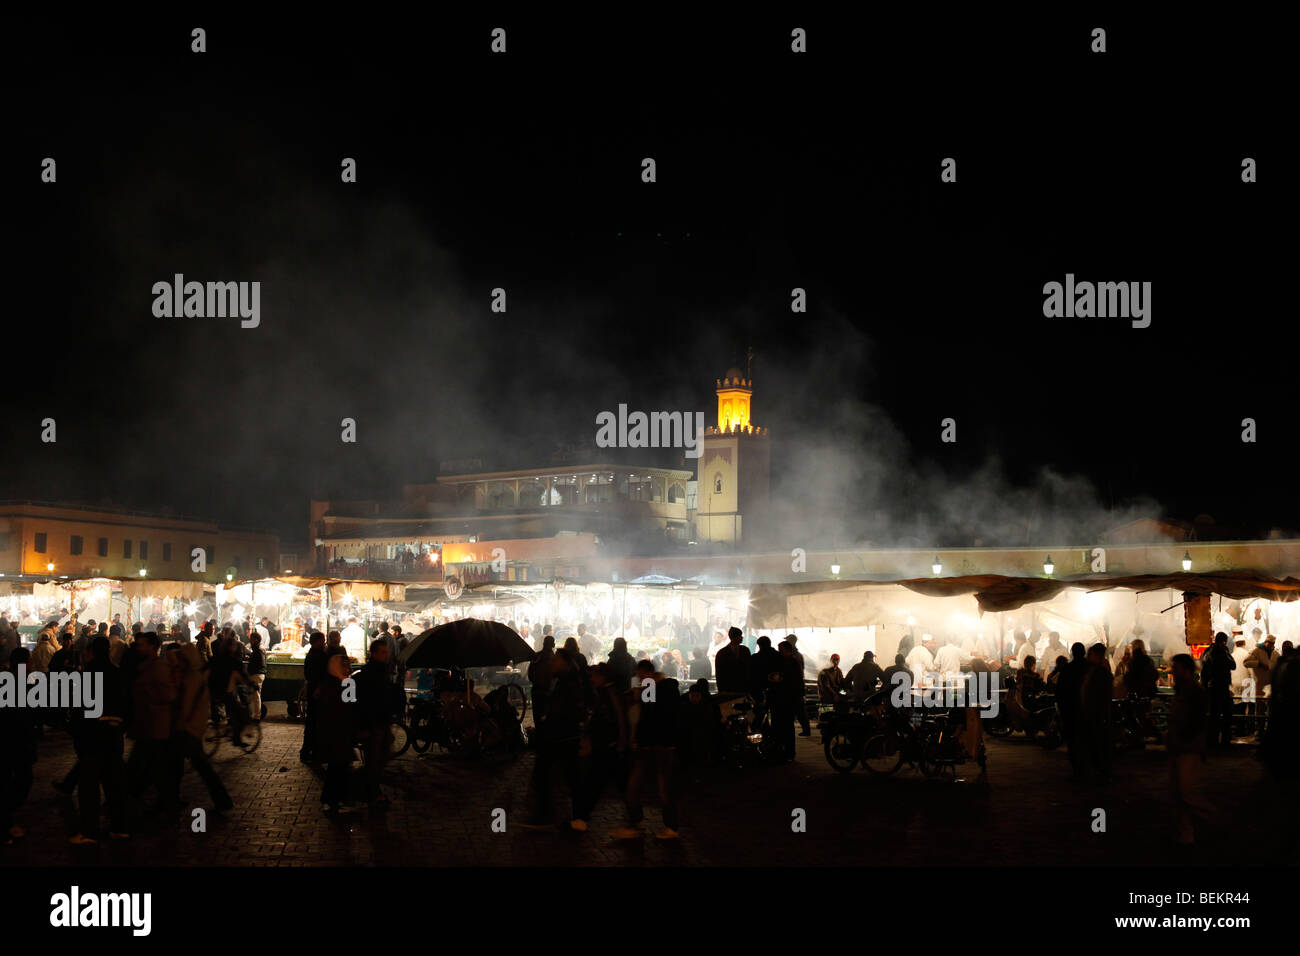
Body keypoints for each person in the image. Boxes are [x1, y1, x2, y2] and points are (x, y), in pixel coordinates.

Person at [615, 659, 681, 840]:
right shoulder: (656, 688)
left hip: (659, 746)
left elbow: (650, 716)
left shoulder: (658, 688)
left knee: (662, 788)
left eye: (641, 675)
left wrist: (640, 696)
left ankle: (667, 827)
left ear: (648, 673)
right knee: (643, 787)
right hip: (651, 746)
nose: (640, 679)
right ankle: (640, 824)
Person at [521, 649, 586, 829]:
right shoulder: (563, 680)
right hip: (560, 735)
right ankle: (568, 816)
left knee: (558, 776)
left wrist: (550, 722)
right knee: (562, 776)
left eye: (556, 660)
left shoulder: (569, 682)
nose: (552, 663)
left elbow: (566, 709)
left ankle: (552, 815)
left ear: (565, 662)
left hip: (561, 736)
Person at [168, 643, 233, 812]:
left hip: (188, 728)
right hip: (193, 727)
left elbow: (187, 705)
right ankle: (170, 798)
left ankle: (221, 799)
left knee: (199, 766)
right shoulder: (196, 676)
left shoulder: (192, 678)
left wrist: (180, 723)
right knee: (187, 766)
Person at [571, 662, 629, 831]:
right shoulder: (605, 692)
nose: (592, 679)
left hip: (607, 746)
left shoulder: (608, 693)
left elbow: (619, 718)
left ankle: (582, 818)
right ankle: (582, 818)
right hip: (607, 745)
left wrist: (620, 741)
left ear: (602, 677)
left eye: (595, 676)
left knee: (596, 782)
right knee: (607, 783)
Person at [127, 632, 179, 813]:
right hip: (147, 724)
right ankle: (166, 801)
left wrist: (147, 696)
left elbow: (169, 695)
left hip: (155, 724)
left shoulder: (158, 668)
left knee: (147, 766)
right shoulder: (146, 666)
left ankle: (128, 797)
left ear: (152, 646)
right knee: (151, 767)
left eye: (141, 644)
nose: (138, 647)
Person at [1166, 653, 1213, 845]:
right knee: (1179, 793)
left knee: (1187, 793)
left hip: (1188, 747)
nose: (1173, 672)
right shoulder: (1185, 690)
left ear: (1186, 670)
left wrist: (1181, 736)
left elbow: (1195, 721)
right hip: (1181, 745)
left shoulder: (1193, 691)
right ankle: (1185, 834)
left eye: (1176, 668)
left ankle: (1215, 820)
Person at [356, 639, 402, 805]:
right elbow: (364, 702)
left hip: (381, 720)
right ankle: (372, 792)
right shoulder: (369, 674)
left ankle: (372, 790)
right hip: (373, 722)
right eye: (382, 652)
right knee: (374, 760)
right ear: (373, 654)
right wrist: (364, 725)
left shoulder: (383, 672)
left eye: (386, 652)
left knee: (381, 757)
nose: (386, 655)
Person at [315, 653, 357, 813]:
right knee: (336, 766)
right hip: (334, 732)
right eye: (344, 666)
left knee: (340, 766)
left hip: (343, 731)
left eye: (348, 666)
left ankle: (335, 799)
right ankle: (331, 799)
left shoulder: (347, 683)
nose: (348, 669)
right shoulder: (330, 685)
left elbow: (351, 706)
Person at [1077, 643, 1113, 784]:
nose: (1087, 657)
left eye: (1090, 654)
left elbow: (1100, 695)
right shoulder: (1092, 670)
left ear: (1097, 656)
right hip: (1091, 712)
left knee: (1098, 743)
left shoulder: (1101, 672)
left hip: (1097, 714)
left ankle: (1100, 772)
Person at [1201, 632, 1236, 747]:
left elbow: (1203, 669)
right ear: (1223, 641)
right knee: (1226, 715)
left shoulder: (1207, 652)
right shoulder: (1222, 652)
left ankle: (1212, 740)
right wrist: (1227, 652)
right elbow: (1233, 665)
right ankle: (1225, 741)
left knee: (1213, 715)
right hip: (1221, 687)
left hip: (1211, 688)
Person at [1057, 642, 1088, 773]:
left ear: (1072, 653)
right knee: (1085, 738)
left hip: (1070, 709)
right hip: (1085, 709)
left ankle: (1076, 765)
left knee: (1072, 738)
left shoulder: (1067, 669)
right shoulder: (1090, 668)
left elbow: (1060, 691)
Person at [300, 632, 327, 763]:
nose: (324, 643)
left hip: (315, 691)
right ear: (316, 642)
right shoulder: (316, 656)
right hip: (316, 692)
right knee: (314, 723)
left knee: (313, 722)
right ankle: (309, 751)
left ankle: (310, 751)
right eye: (322, 640)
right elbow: (315, 675)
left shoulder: (313, 654)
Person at [786, 634, 811, 736]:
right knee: (800, 710)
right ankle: (806, 729)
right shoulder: (799, 655)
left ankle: (805, 730)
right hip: (798, 686)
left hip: (794, 686)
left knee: (798, 710)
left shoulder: (793, 656)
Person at [713, 627, 751, 695]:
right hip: (731, 689)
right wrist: (721, 690)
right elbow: (719, 673)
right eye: (740, 636)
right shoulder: (745, 650)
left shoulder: (722, 652)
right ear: (734, 637)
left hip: (739, 688)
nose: (742, 637)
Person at [528, 634, 556, 722]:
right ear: (553, 645)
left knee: (537, 716)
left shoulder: (536, 656)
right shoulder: (555, 659)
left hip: (536, 689)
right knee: (548, 718)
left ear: (543, 644)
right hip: (549, 692)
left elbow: (530, 673)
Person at [247, 633, 267, 722]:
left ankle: (257, 717)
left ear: (256, 639)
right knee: (254, 696)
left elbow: (260, 663)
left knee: (256, 696)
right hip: (257, 674)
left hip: (257, 675)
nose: (250, 641)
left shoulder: (258, 650)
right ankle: (254, 715)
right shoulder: (258, 649)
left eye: (251, 639)